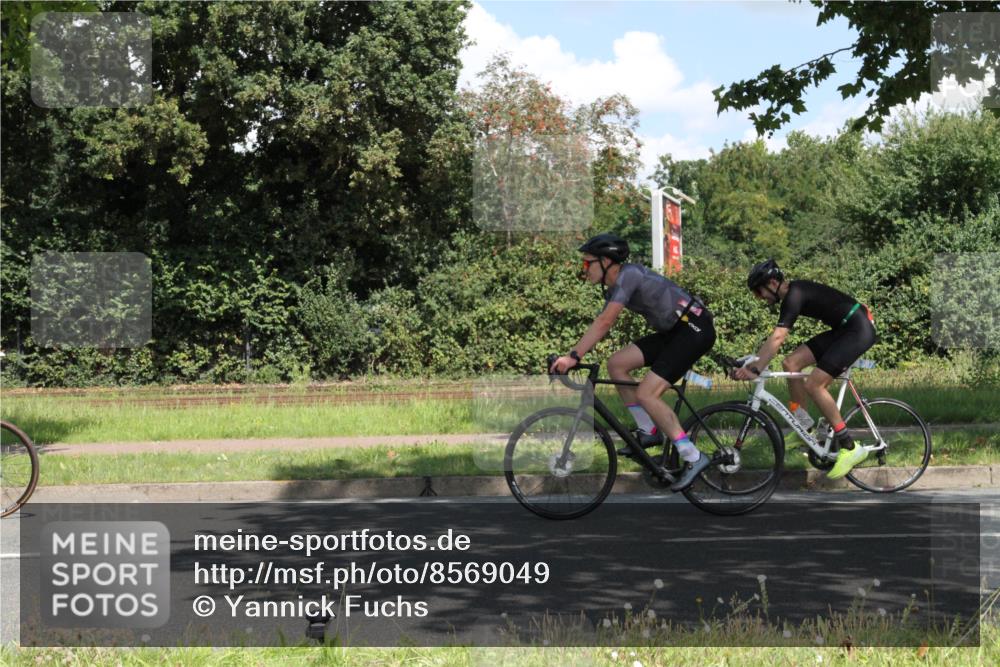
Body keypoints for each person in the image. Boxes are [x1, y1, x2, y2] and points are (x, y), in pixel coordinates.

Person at [549, 232, 717, 492]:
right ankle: (648, 430)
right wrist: (574, 354)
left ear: (607, 261)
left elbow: (605, 322)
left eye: (587, 263)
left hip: (693, 328)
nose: (584, 269)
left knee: (647, 394)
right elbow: (599, 323)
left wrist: (573, 357)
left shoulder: (629, 275)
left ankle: (693, 456)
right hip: (674, 331)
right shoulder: (616, 286)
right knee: (616, 364)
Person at [733, 259, 877, 479]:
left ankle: (850, 447)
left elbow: (779, 336)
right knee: (791, 364)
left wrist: (756, 367)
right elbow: (775, 337)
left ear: (772, 282)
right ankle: (804, 427)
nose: (760, 298)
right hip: (844, 328)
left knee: (815, 384)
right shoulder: (792, 295)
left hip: (858, 329)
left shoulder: (794, 295)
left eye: (759, 292)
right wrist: (755, 362)